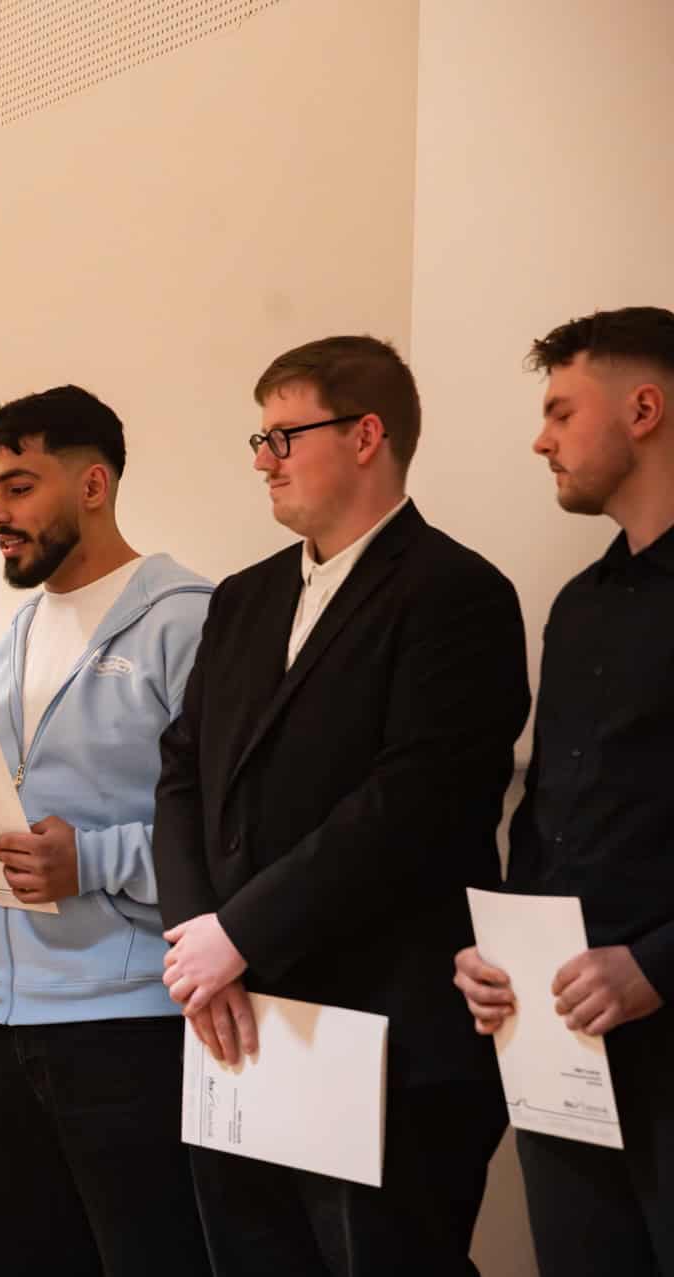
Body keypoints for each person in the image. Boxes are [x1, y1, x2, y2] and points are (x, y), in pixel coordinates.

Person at [154, 336, 530, 1275]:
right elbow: (183, 774)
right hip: (238, 1021)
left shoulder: (457, 593)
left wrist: (240, 931)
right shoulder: (244, 598)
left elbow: (413, 803)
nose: (262, 460)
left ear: (366, 436)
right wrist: (199, 938)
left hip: (386, 1029)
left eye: (284, 436)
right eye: (260, 438)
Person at [0, 385, 212, 1275]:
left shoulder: (189, 623)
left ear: (93, 484)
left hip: (135, 1030)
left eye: (19, 486)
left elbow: (230, 829)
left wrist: (93, 860)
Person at [454, 306, 674, 1276]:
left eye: (560, 411)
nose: (541, 440)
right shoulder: (578, 604)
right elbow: (548, 818)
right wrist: (501, 952)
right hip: (562, 1046)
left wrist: (656, 966)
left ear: (643, 409)